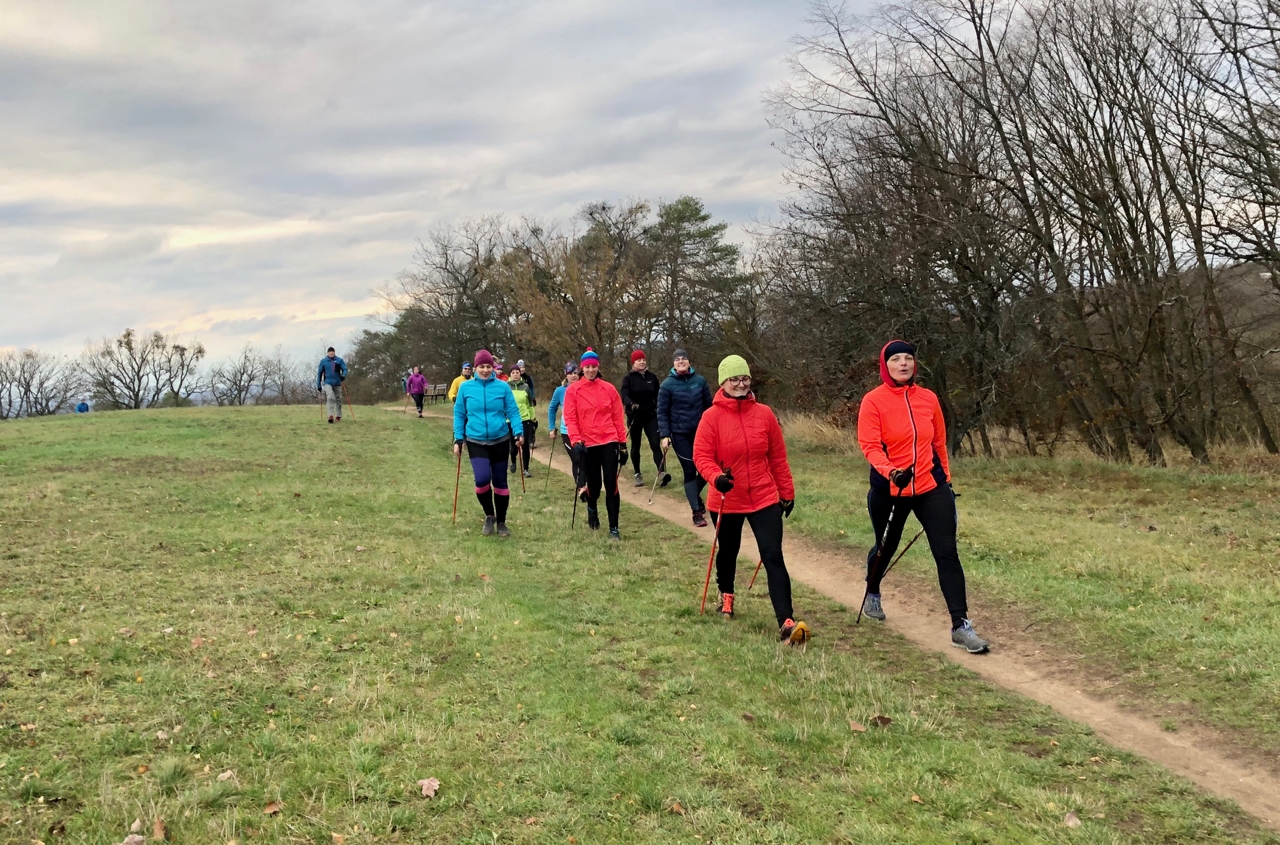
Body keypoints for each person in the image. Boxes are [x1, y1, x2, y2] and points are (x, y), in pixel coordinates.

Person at [856, 340, 989, 654]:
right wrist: (891, 472)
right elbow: (870, 446)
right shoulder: (873, 401)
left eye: (908, 359)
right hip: (890, 489)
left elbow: (939, 442)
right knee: (886, 546)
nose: (903, 364)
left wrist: (947, 482)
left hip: (930, 486)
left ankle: (961, 626)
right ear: (885, 365)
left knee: (947, 553)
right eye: (896, 359)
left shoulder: (928, 398)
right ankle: (872, 587)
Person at [694, 355, 808, 646]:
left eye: (744, 378)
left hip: (762, 494)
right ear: (723, 383)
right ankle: (727, 596)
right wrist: (716, 477)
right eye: (734, 379)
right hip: (727, 496)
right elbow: (701, 456)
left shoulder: (765, 414)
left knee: (773, 556)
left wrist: (787, 492)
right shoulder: (711, 417)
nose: (741, 383)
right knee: (728, 550)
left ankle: (786, 621)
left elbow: (778, 458)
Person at [453, 350, 524, 538]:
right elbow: (459, 414)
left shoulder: (502, 387)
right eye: (481, 366)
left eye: (488, 366)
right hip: (475, 440)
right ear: (475, 368)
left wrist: (518, 432)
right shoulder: (466, 388)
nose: (485, 370)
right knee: (482, 480)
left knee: (500, 482)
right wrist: (458, 439)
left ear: (493, 368)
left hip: (500, 439)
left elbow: (513, 411)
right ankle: (489, 515)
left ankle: (501, 522)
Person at [564, 348, 627, 540]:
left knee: (611, 483)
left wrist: (623, 444)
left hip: (609, 440)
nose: (591, 370)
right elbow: (570, 418)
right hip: (587, 443)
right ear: (582, 369)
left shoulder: (608, 389)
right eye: (587, 367)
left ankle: (614, 527)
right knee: (595, 483)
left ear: (598, 367)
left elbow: (617, 416)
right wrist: (575, 440)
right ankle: (592, 507)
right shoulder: (574, 390)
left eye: (594, 366)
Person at [657, 348, 714, 527]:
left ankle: (693, 495)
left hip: (701, 433)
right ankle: (696, 512)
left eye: (684, 358)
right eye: (677, 359)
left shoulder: (700, 381)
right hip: (680, 434)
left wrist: (715, 428)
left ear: (689, 362)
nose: (681, 361)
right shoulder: (667, 385)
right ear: (673, 363)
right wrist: (665, 435)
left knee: (706, 469)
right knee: (690, 470)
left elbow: (710, 407)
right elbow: (662, 412)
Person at [619, 349, 668, 488]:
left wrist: (661, 408)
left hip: (650, 415)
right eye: (638, 360)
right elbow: (624, 394)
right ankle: (637, 474)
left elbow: (658, 395)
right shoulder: (628, 379)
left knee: (655, 444)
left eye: (643, 360)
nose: (642, 362)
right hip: (635, 415)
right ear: (633, 363)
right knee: (636, 445)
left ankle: (662, 473)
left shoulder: (652, 377)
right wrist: (631, 404)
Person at [547, 363, 583, 485]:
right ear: (566, 375)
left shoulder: (584, 388)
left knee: (585, 460)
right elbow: (552, 409)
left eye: (575, 373)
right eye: (570, 373)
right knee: (576, 458)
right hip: (567, 432)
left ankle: (586, 485)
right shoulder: (560, 391)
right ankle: (581, 488)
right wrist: (552, 427)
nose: (573, 376)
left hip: (584, 431)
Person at [507, 363, 536, 477]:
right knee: (513, 446)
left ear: (520, 374)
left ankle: (526, 469)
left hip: (525, 418)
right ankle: (513, 461)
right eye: (513, 373)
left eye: (517, 372)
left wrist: (533, 417)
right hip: (510, 420)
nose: (515, 375)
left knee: (525, 445)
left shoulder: (525, 387)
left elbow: (530, 403)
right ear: (510, 374)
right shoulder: (506, 386)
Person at [315, 347, 348, 423]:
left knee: (338, 399)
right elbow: (319, 373)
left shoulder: (339, 360)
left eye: (332, 351)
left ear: (334, 352)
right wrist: (318, 384)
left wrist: (343, 375)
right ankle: (330, 416)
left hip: (337, 382)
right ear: (327, 353)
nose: (331, 353)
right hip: (327, 382)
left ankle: (338, 416)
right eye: (330, 352)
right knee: (330, 397)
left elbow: (345, 369)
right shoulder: (323, 361)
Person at [515, 358, 538, 448]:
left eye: (523, 367)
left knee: (532, 421)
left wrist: (533, 397)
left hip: (528, 402)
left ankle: (531, 440)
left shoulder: (528, 378)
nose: (522, 369)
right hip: (519, 404)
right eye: (520, 367)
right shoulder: (516, 377)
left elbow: (531, 388)